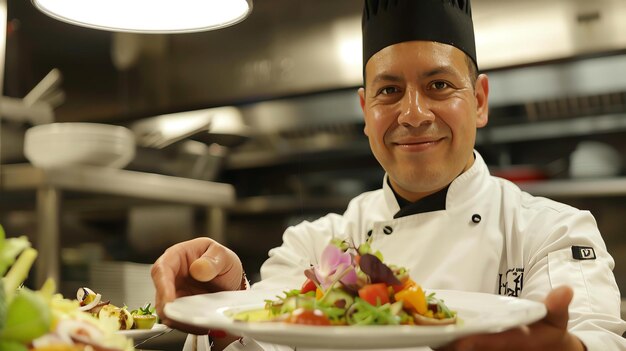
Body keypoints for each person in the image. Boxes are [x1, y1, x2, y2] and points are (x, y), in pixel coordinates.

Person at [151, 0, 626, 350]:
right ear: (364, 109)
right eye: (389, 91)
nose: (414, 114)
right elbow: (261, 340)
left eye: (439, 85)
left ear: (479, 100)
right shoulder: (315, 245)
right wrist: (223, 309)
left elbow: (594, 334)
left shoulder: (554, 229)